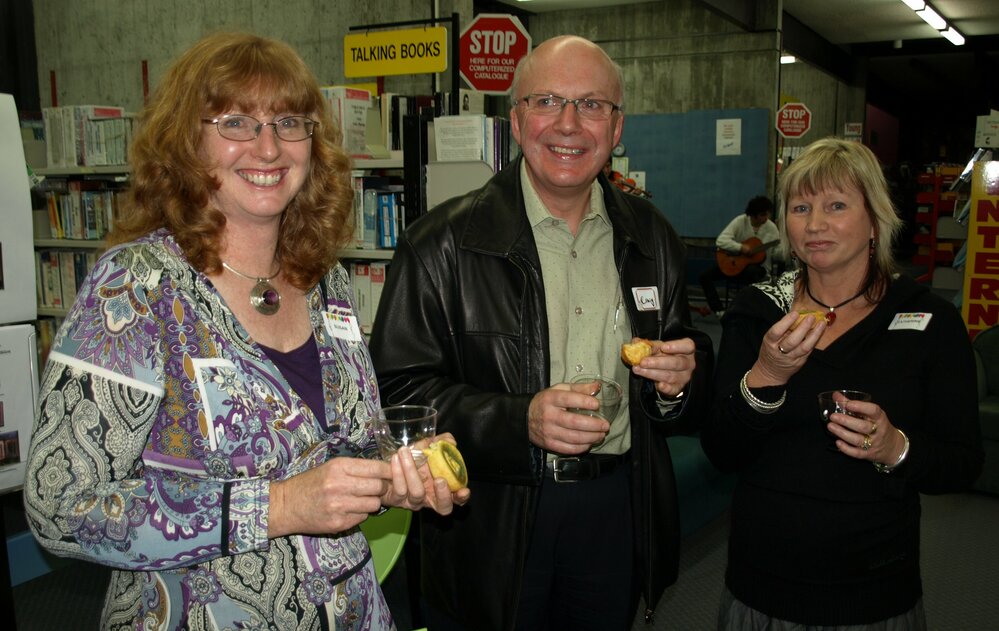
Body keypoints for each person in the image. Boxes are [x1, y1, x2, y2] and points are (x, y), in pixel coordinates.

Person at [23, 32, 468, 631]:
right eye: (235, 122)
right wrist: (279, 506)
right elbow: (60, 508)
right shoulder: (135, 288)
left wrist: (394, 478)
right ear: (188, 144)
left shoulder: (325, 280)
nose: (268, 147)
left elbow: (349, 445)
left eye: (289, 122)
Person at [369, 35, 713, 630]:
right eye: (548, 100)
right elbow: (394, 392)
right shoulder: (440, 244)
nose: (570, 124)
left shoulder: (652, 238)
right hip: (490, 515)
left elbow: (686, 368)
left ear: (617, 125)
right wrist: (518, 420)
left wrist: (679, 383)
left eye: (592, 105)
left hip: (615, 506)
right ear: (518, 117)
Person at [700, 137, 983, 629]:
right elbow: (722, 450)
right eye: (800, 207)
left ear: (875, 219)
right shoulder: (758, 310)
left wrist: (897, 448)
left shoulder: (929, 320)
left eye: (836, 205)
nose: (814, 224)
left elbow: (962, 464)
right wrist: (767, 376)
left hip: (874, 591)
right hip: (762, 586)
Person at [698, 195, 779, 316]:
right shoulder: (740, 221)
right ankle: (718, 310)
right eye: (763, 215)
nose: (766, 218)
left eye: (767, 214)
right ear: (753, 215)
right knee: (704, 276)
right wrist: (741, 247)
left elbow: (777, 252)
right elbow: (721, 240)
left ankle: (745, 310)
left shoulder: (771, 228)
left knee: (753, 273)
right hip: (734, 265)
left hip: (758, 269)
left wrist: (786, 252)